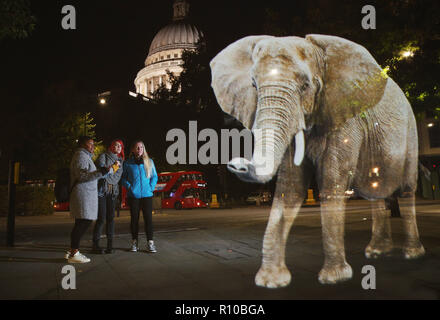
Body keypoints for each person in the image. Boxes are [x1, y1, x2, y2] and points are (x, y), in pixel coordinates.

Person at [65, 136, 116, 263]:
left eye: (93, 144)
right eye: (90, 144)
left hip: (85, 194)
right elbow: (82, 175)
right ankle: (74, 252)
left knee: (80, 223)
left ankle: (72, 251)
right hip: (83, 194)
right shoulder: (81, 156)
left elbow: (91, 175)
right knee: (84, 222)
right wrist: (102, 171)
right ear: (82, 145)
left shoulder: (85, 156)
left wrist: (107, 171)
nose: (93, 147)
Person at [121, 140, 158, 253]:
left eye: (141, 147)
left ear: (144, 149)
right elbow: (123, 178)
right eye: (137, 147)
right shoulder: (127, 163)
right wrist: (129, 187)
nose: (139, 149)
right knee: (134, 220)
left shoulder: (149, 161)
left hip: (147, 195)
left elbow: (154, 177)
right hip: (134, 196)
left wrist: (151, 188)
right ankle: (134, 243)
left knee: (148, 219)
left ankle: (150, 243)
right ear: (133, 149)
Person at [92, 139, 125, 254]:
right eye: (116, 145)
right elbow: (100, 171)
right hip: (101, 190)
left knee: (111, 219)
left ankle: (110, 245)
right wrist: (112, 169)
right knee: (101, 218)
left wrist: (109, 170)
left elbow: (117, 177)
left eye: (120, 146)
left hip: (112, 192)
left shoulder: (121, 160)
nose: (118, 147)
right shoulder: (103, 156)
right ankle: (95, 244)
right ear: (111, 146)